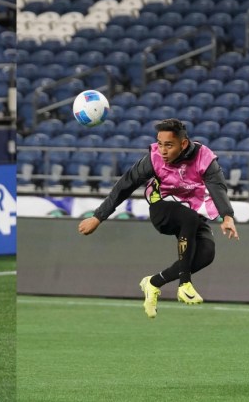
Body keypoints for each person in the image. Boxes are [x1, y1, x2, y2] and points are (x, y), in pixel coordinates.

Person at [78, 118, 239, 319]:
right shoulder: (153, 158)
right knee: (187, 217)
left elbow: (218, 187)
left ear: (184, 144)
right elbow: (124, 186)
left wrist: (227, 216)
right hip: (162, 208)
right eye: (160, 144)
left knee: (206, 254)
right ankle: (184, 284)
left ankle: (153, 283)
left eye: (168, 145)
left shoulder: (204, 158)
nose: (162, 150)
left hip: (193, 212)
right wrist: (98, 217)